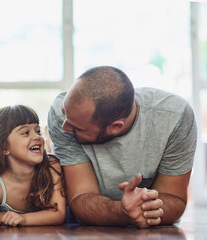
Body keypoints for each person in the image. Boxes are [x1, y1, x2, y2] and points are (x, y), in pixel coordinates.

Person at [47, 66, 197, 228]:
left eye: (77, 128)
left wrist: (143, 208)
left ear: (115, 127)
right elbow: (80, 198)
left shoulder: (175, 117)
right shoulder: (62, 114)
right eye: (66, 115)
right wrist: (122, 211)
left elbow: (174, 199)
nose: (65, 127)